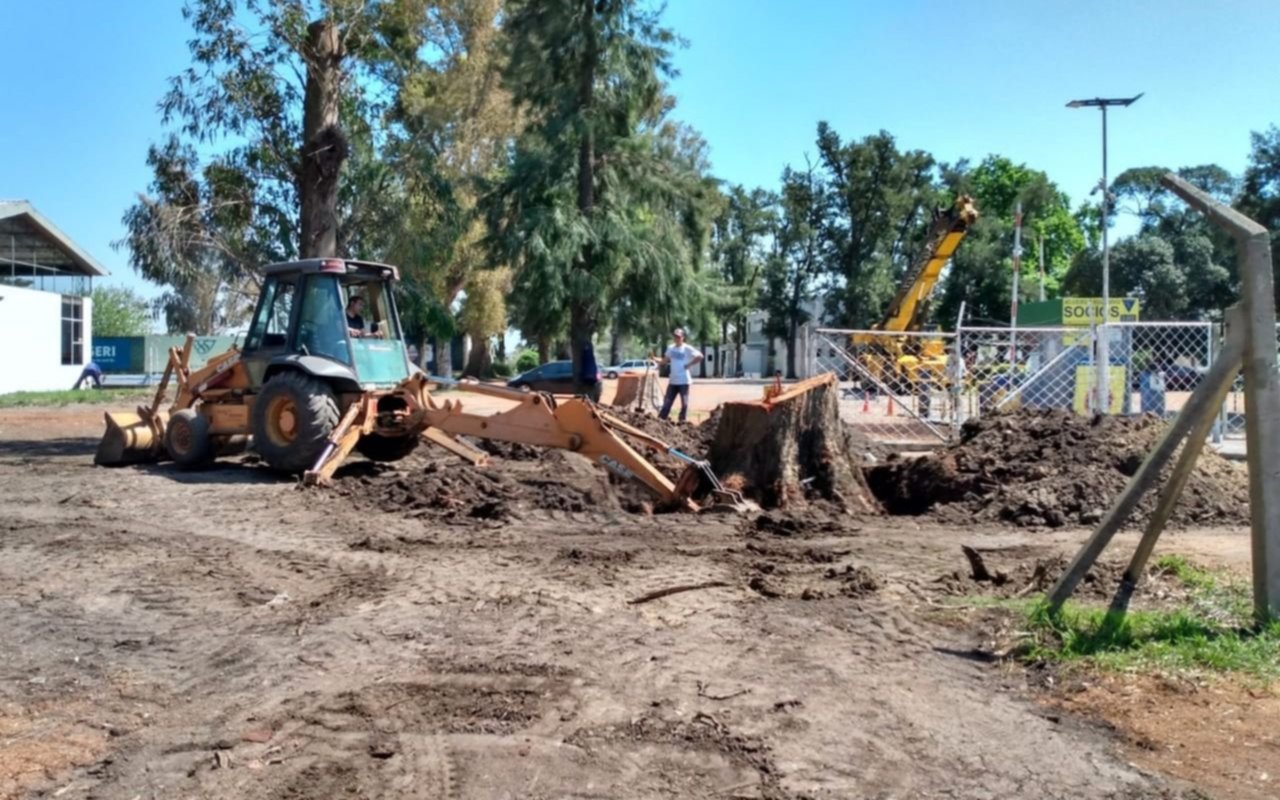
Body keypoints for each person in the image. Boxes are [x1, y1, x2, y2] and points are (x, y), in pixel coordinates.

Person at [658, 327, 702, 422]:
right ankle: (661, 420)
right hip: (673, 381)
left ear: (682, 337)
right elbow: (664, 361)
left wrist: (689, 364)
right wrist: (654, 359)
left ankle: (682, 421)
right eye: (675, 336)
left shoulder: (687, 348)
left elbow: (700, 356)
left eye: (679, 336)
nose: (677, 338)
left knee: (684, 403)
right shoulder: (670, 348)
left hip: (684, 381)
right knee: (667, 402)